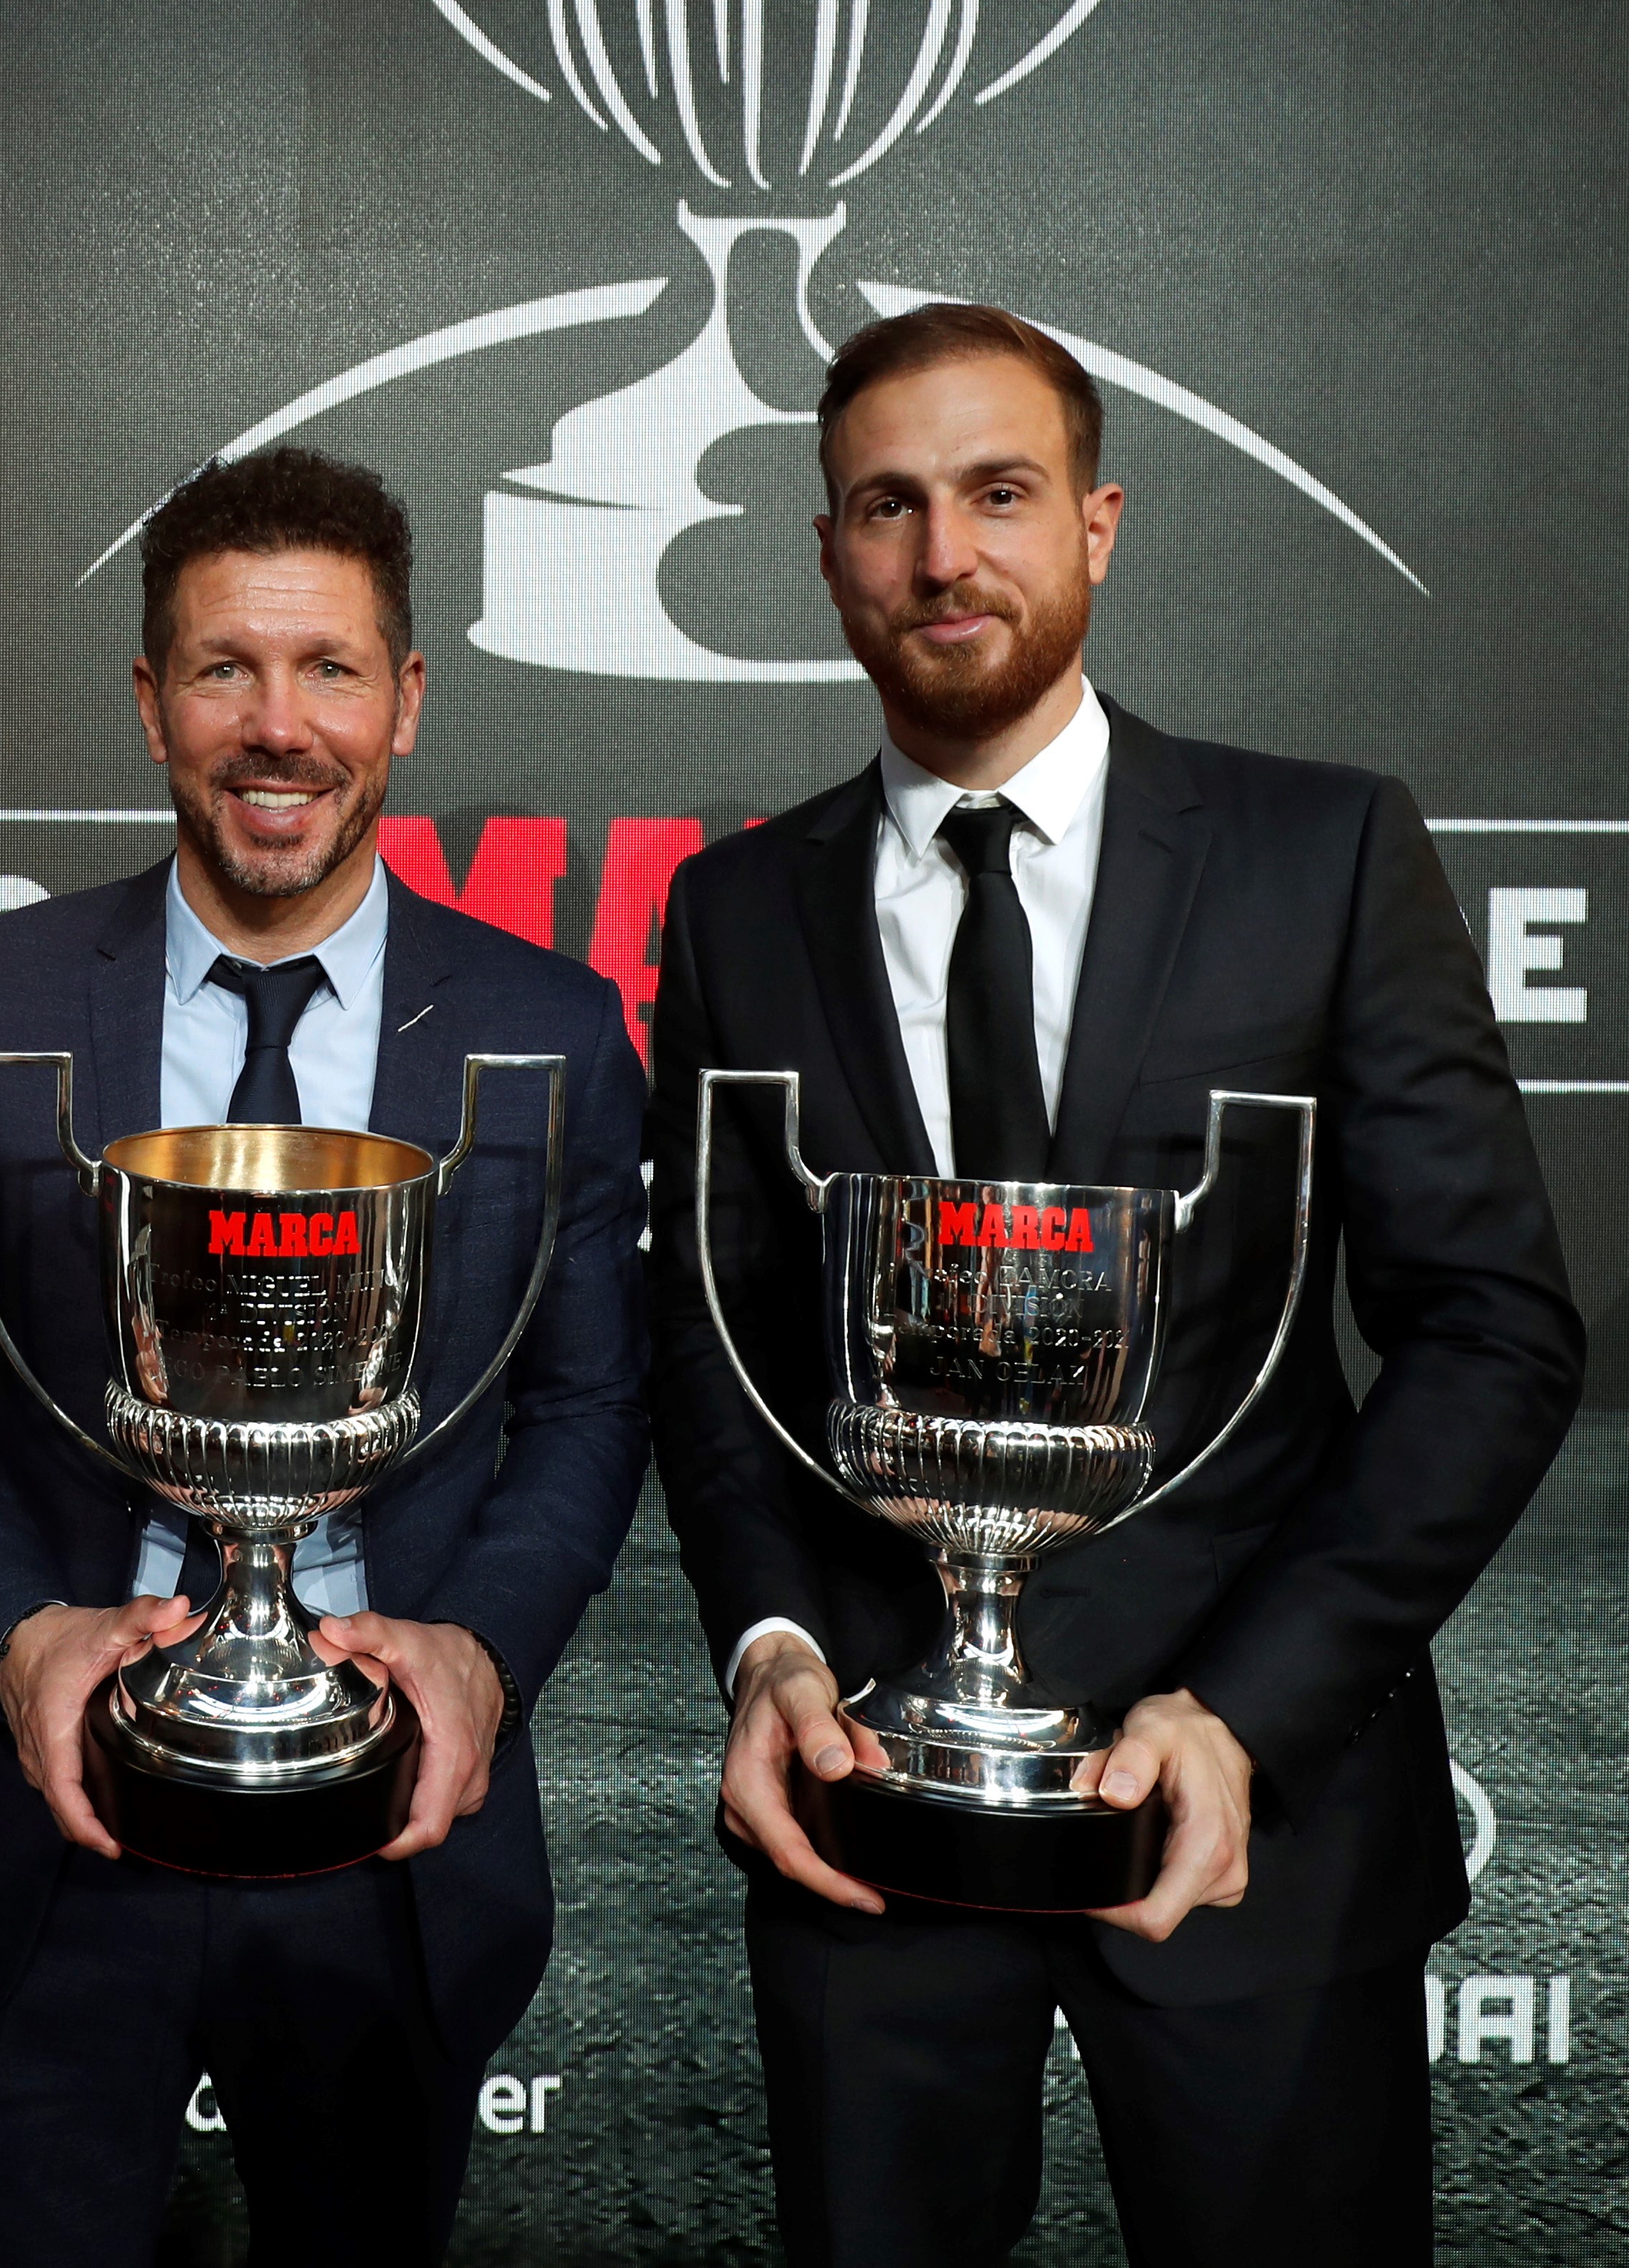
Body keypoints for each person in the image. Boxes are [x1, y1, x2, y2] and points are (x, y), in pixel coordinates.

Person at [644, 304, 1585, 2267]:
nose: (941, 554)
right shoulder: (733, 912)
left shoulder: (1320, 852)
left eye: (998, 493)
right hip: (868, 1812)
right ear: (824, 552)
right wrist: (770, 1651)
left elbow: (1490, 1330)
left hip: (1256, 1816)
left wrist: (1245, 1711)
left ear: (1096, 523)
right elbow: (716, 1353)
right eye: (886, 506)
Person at [0, 447, 648, 2265]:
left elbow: (589, 1403)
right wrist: (22, 1640)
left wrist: (478, 1660)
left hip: (397, 1826)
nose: (277, 727)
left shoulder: (547, 1027)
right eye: (224, 669)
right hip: (62, 1813)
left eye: (328, 670)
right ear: (152, 702)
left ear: (405, 701)